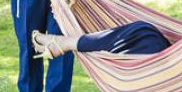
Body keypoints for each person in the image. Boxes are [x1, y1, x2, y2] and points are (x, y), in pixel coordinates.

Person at [31, 20, 170, 58]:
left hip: (165, 67)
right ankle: (64, 43)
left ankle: (64, 43)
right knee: (143, 31)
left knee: (142, 31)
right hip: (172, 61)